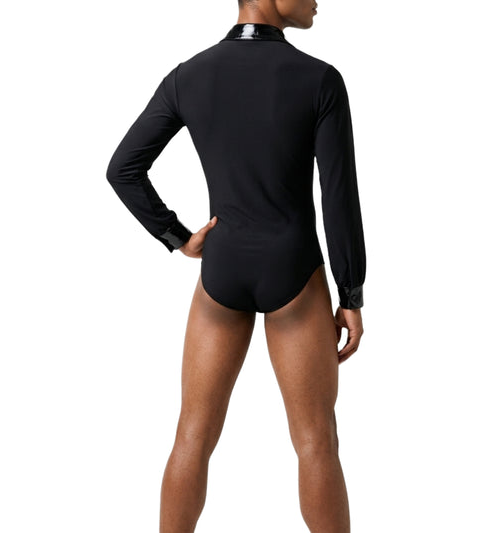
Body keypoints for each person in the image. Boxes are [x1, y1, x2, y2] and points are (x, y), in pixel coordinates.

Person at [106, 1, 367, 531]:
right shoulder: (319, 80)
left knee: (192, 435)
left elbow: (123, 169)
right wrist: (351, 293)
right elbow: (338, 198)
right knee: (316, 441)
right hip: (294, 271)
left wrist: (178, 238)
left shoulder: (189, 76)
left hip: (221, 269)